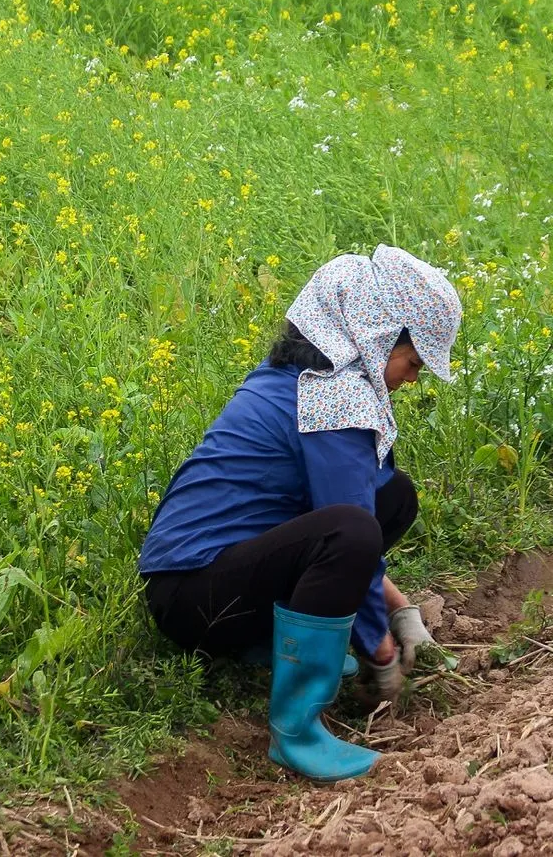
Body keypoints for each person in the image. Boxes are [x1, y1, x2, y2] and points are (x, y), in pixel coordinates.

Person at [138, 244, 462, 782]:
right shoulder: (333, 400)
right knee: (354, 527)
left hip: (216, 577)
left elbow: (349, 507)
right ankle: (297, 730)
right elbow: (346, 529)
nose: (412, 379)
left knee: (391, 494)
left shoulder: (305, 380)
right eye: (412, 363)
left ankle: (274, 642)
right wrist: (381, 647)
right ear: (377, 335)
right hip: (193, 595)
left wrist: (400, 611)